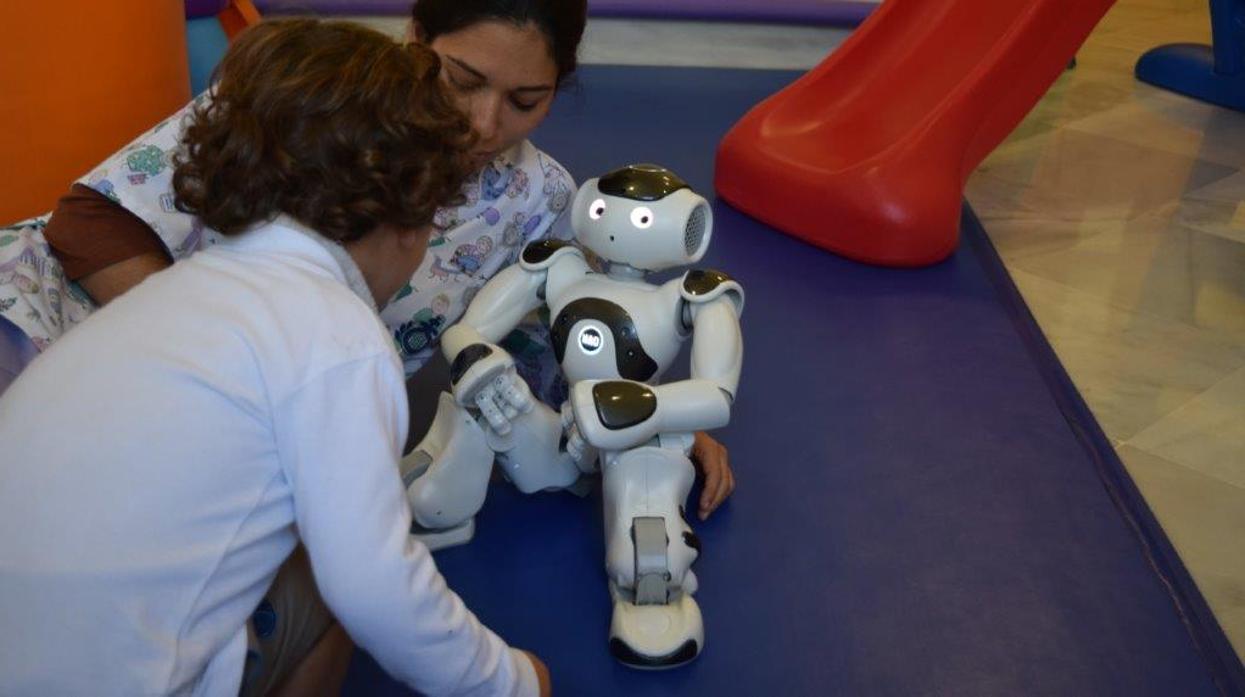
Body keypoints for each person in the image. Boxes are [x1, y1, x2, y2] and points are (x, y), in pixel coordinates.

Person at [0, 0, 736, 520]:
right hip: (45, 315)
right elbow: (88, 224)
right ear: (415, 36)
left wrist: (656, 422)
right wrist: (219, 378)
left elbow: (547, 354)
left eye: (525, 99)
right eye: (462, 79)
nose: (483, 124)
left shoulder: (537, 198)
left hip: (219, 433)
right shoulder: (313, 92)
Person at [0, 19, 549, 696]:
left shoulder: (175, 292)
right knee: (325, 585)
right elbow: (375, 588)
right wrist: (514, 681)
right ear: (413, 219)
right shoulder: (341, 337)